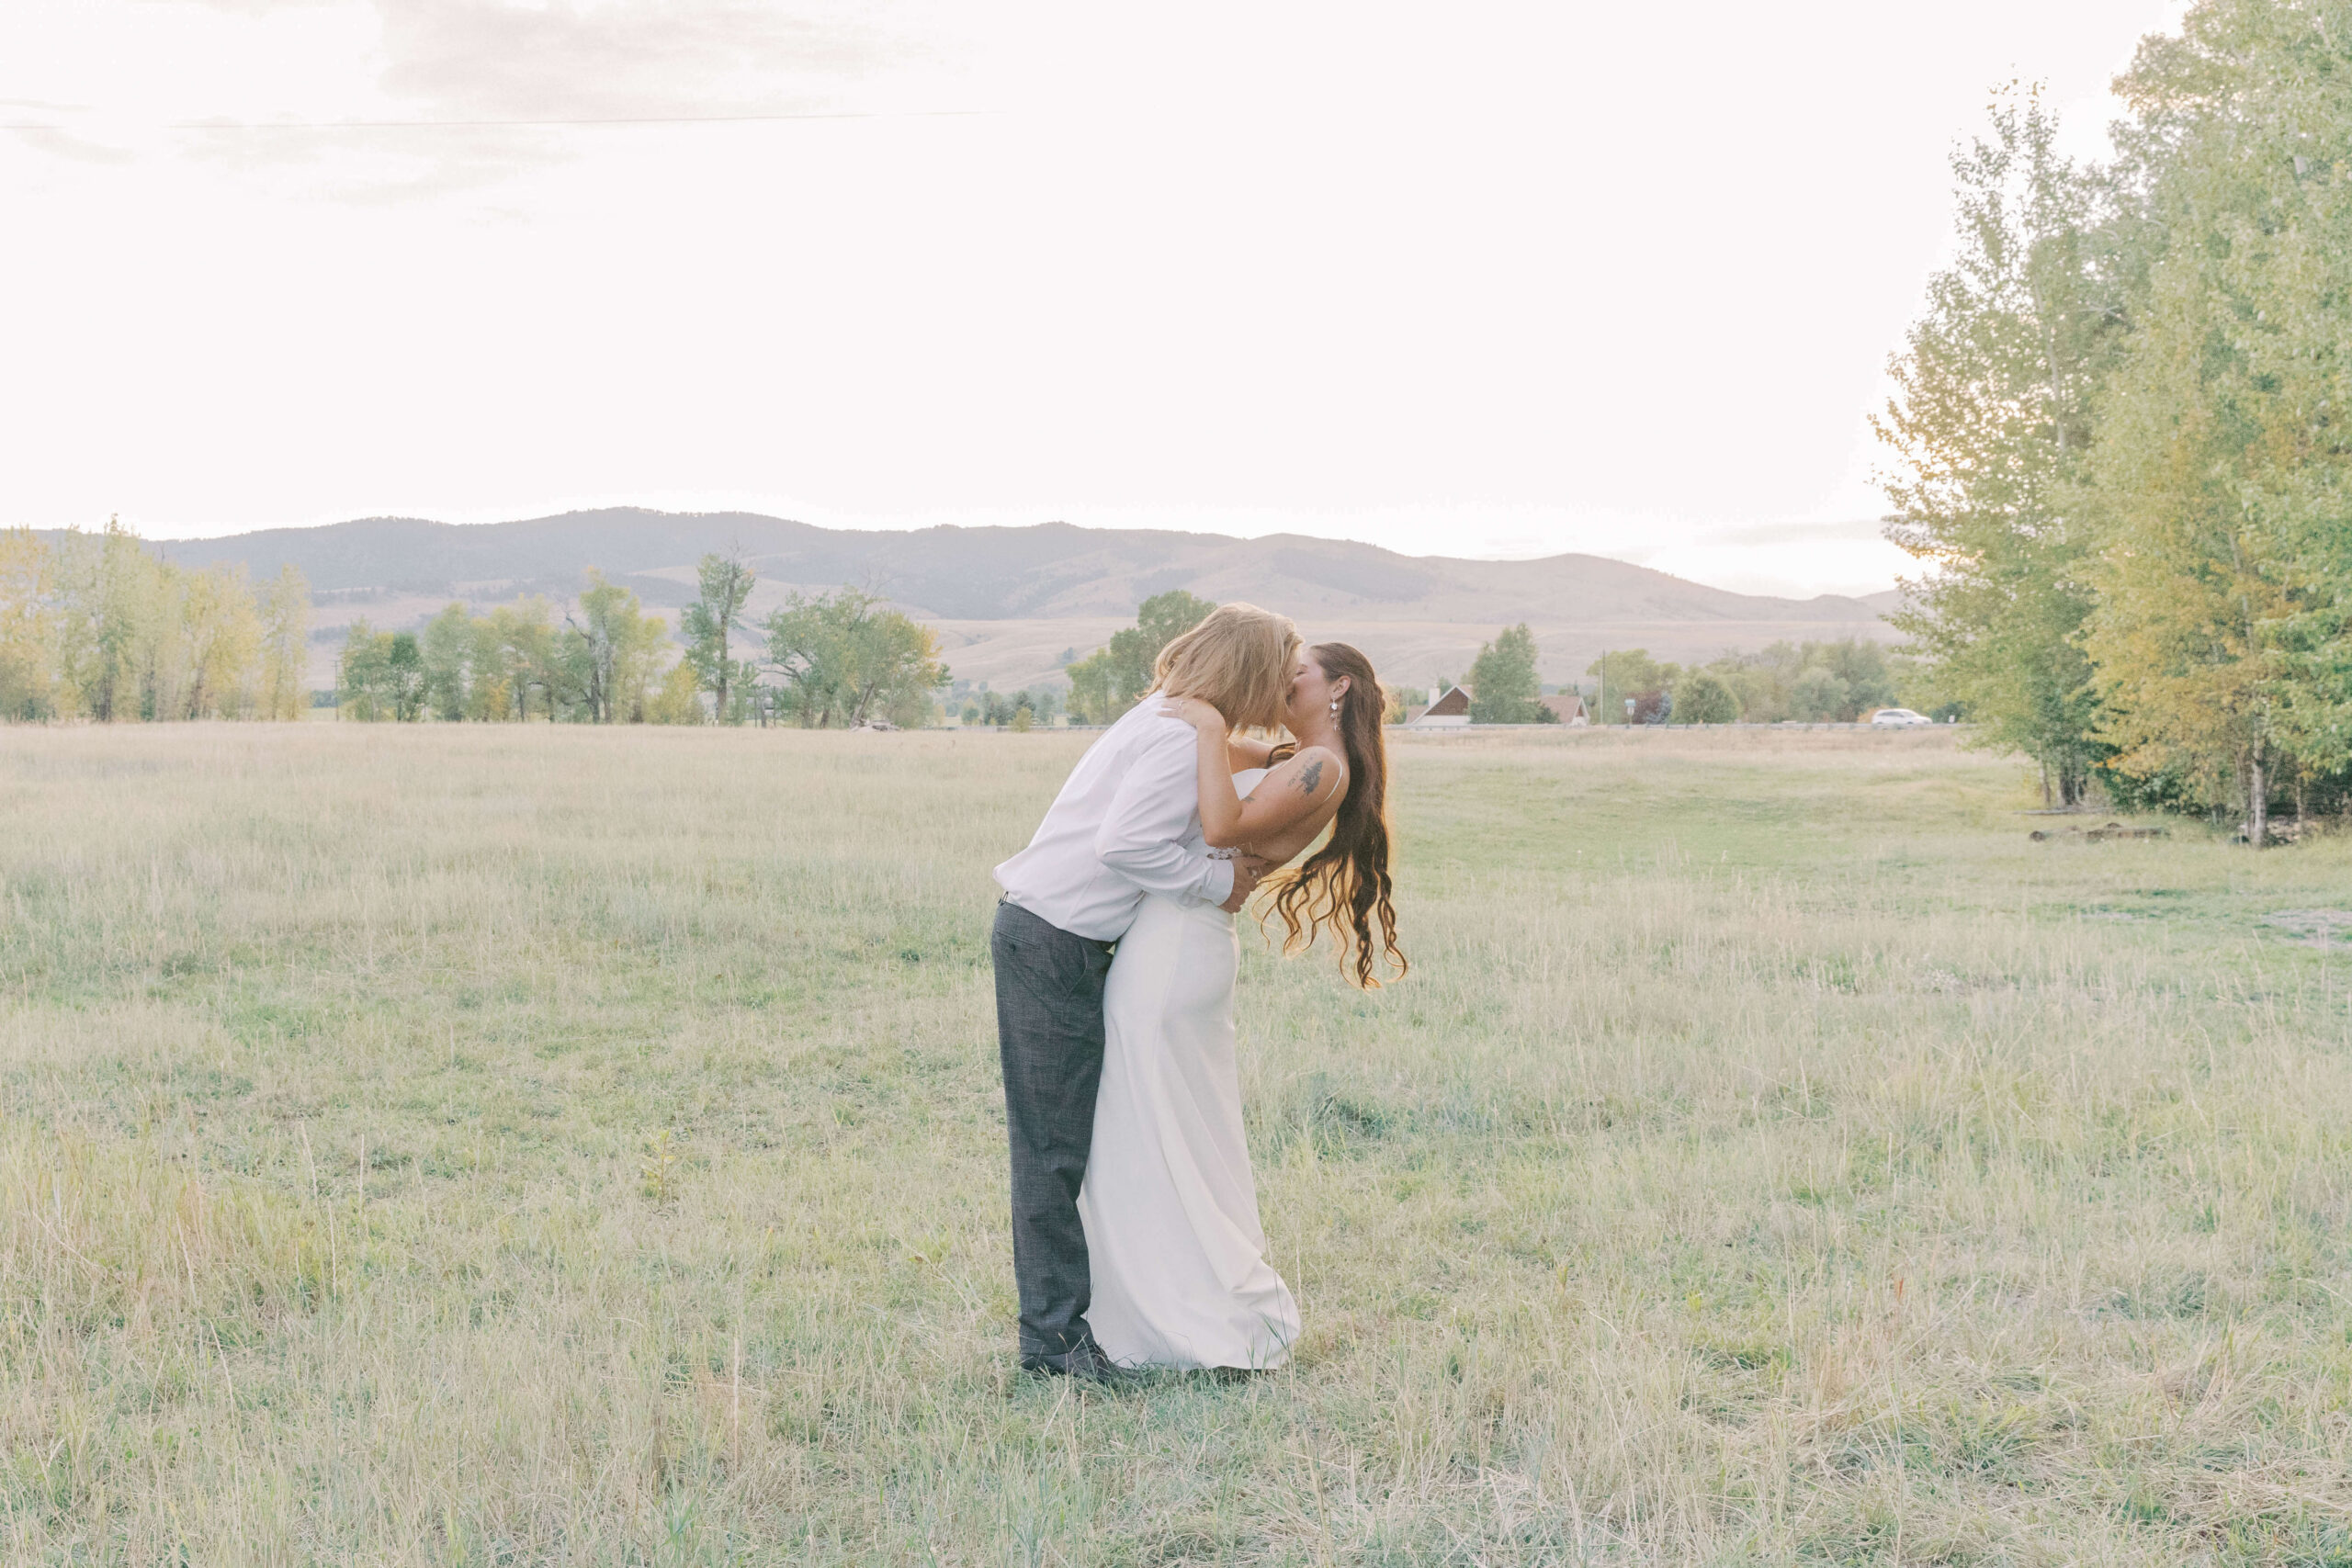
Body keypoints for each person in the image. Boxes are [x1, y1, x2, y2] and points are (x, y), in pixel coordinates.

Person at [989, 604, 1299, 1383]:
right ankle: (1054, 1349)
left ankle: (1069, 1331)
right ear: (1250, 671)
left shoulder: (1171, 722)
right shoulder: (1172, 737)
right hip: (1052, 940)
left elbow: (1228, 767)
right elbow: (1123, 843)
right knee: (1051, 1154)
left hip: (1063, 939)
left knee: (1067, 1147)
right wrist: (1215, 880)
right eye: (1280, 669)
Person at [1080, 641, 1407, 1371]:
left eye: (1299, 676)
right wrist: (1206, 710)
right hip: (1181, 936)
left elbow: (1223, 827)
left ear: (1339, 686)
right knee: (1156, 1113)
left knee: (1159, 1115)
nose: (1285, 685)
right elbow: (1229, 752)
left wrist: (1202, 730)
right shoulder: (1297, 755)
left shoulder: (1322, 767)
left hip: (1178, 946)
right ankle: (1154, 1294)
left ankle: (1186, 1306)